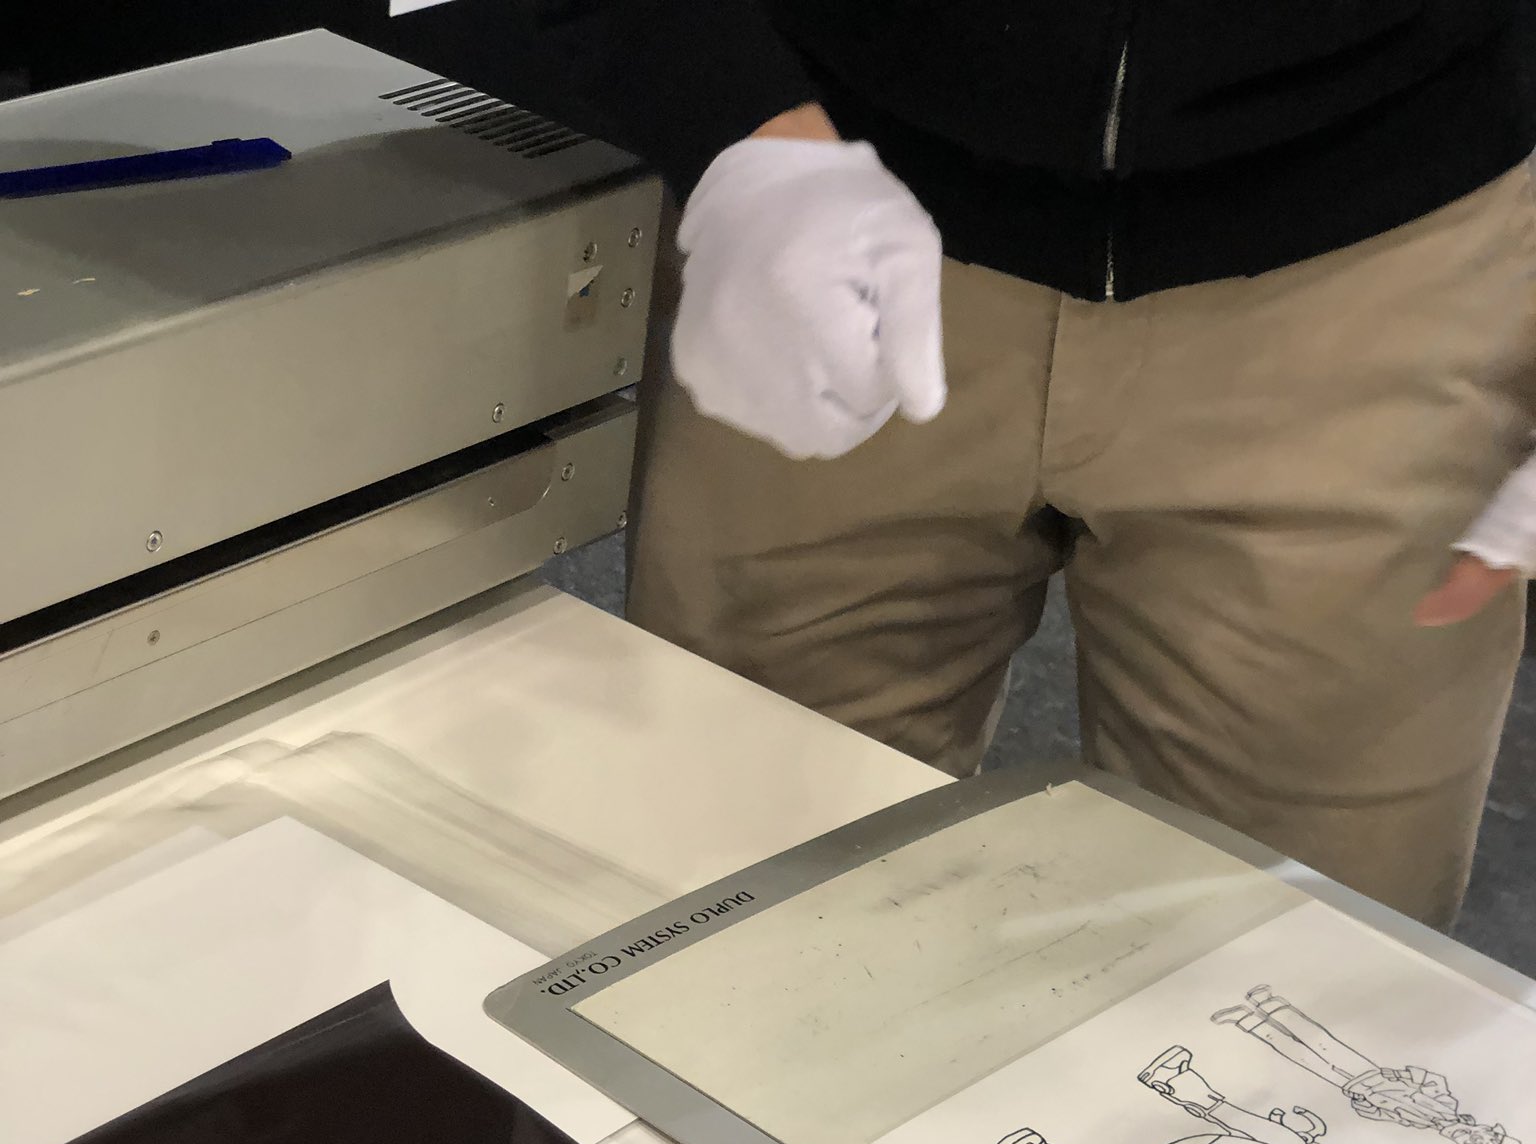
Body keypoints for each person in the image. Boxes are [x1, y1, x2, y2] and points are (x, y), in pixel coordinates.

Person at [530, 3, 1536, 927]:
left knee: (1299, 980)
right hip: (834, 203)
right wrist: (723, 113)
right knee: (725, 915)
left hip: (1387, 242)